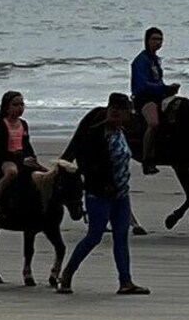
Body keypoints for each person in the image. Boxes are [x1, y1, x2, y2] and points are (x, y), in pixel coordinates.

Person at [57, 93, 150, 295]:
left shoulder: (121, 132)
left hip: (121, 194)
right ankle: (67, 274)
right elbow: (87, 164)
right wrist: (103, 184)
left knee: (121, 237)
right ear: (108, 111)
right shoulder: (96, 134)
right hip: (99, 194)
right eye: (113, 109)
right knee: (94, 236)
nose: (116, 113)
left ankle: (125, 281)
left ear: (127, 113)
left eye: (120, 110)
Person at [0, 91, 47, 222]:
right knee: (12, 172)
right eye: (15, 104)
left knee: (47, 173)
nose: (20, 108)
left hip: (21, 157)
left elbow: (26, 144)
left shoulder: (23, 124)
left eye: (22, 104)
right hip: (5, 159)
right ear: (7, 107)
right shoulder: (1, 125)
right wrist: (21, 160)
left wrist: (32, 158)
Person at [131, 26, 180, 175]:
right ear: (147, 40)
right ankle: (147, 160)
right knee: (153, 123)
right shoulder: (141, 61)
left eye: (160, 39)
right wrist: (164, 88)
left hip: (158, 96)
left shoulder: (155, 60)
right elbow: (142, 85)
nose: (157, 42)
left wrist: (168, 90)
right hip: (144, 99)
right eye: (154, 39)